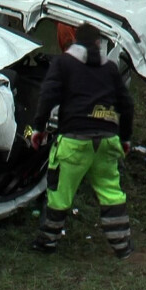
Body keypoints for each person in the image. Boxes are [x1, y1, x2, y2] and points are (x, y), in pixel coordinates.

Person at [29, 23, 136, 259]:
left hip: (74, 141)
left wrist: (38, 127)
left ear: (76, 40)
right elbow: (127, 105)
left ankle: (48, 242)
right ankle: (122, 246)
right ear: (98, 43)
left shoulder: (64, 63)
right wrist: (125, 138)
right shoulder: (109, 68)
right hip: (107, 141)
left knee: (59, 192)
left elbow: (47, 95)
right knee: (111, 192)